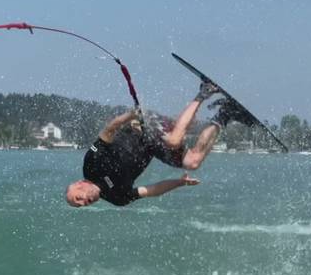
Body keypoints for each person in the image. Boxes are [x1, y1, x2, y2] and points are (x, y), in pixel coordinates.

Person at [66, 82, 247, 207]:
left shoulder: (91, 165)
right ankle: (225, 114)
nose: (83, 204)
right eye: (79, 205)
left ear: (80, 184)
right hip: (154, 147)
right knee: (192, 162)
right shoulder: (117, 198)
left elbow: (109, 130)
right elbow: (152, 190)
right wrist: (179, 182)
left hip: (143, 127)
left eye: (78, 198)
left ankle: (204, 91)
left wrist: (131, 115)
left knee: (174, 140)